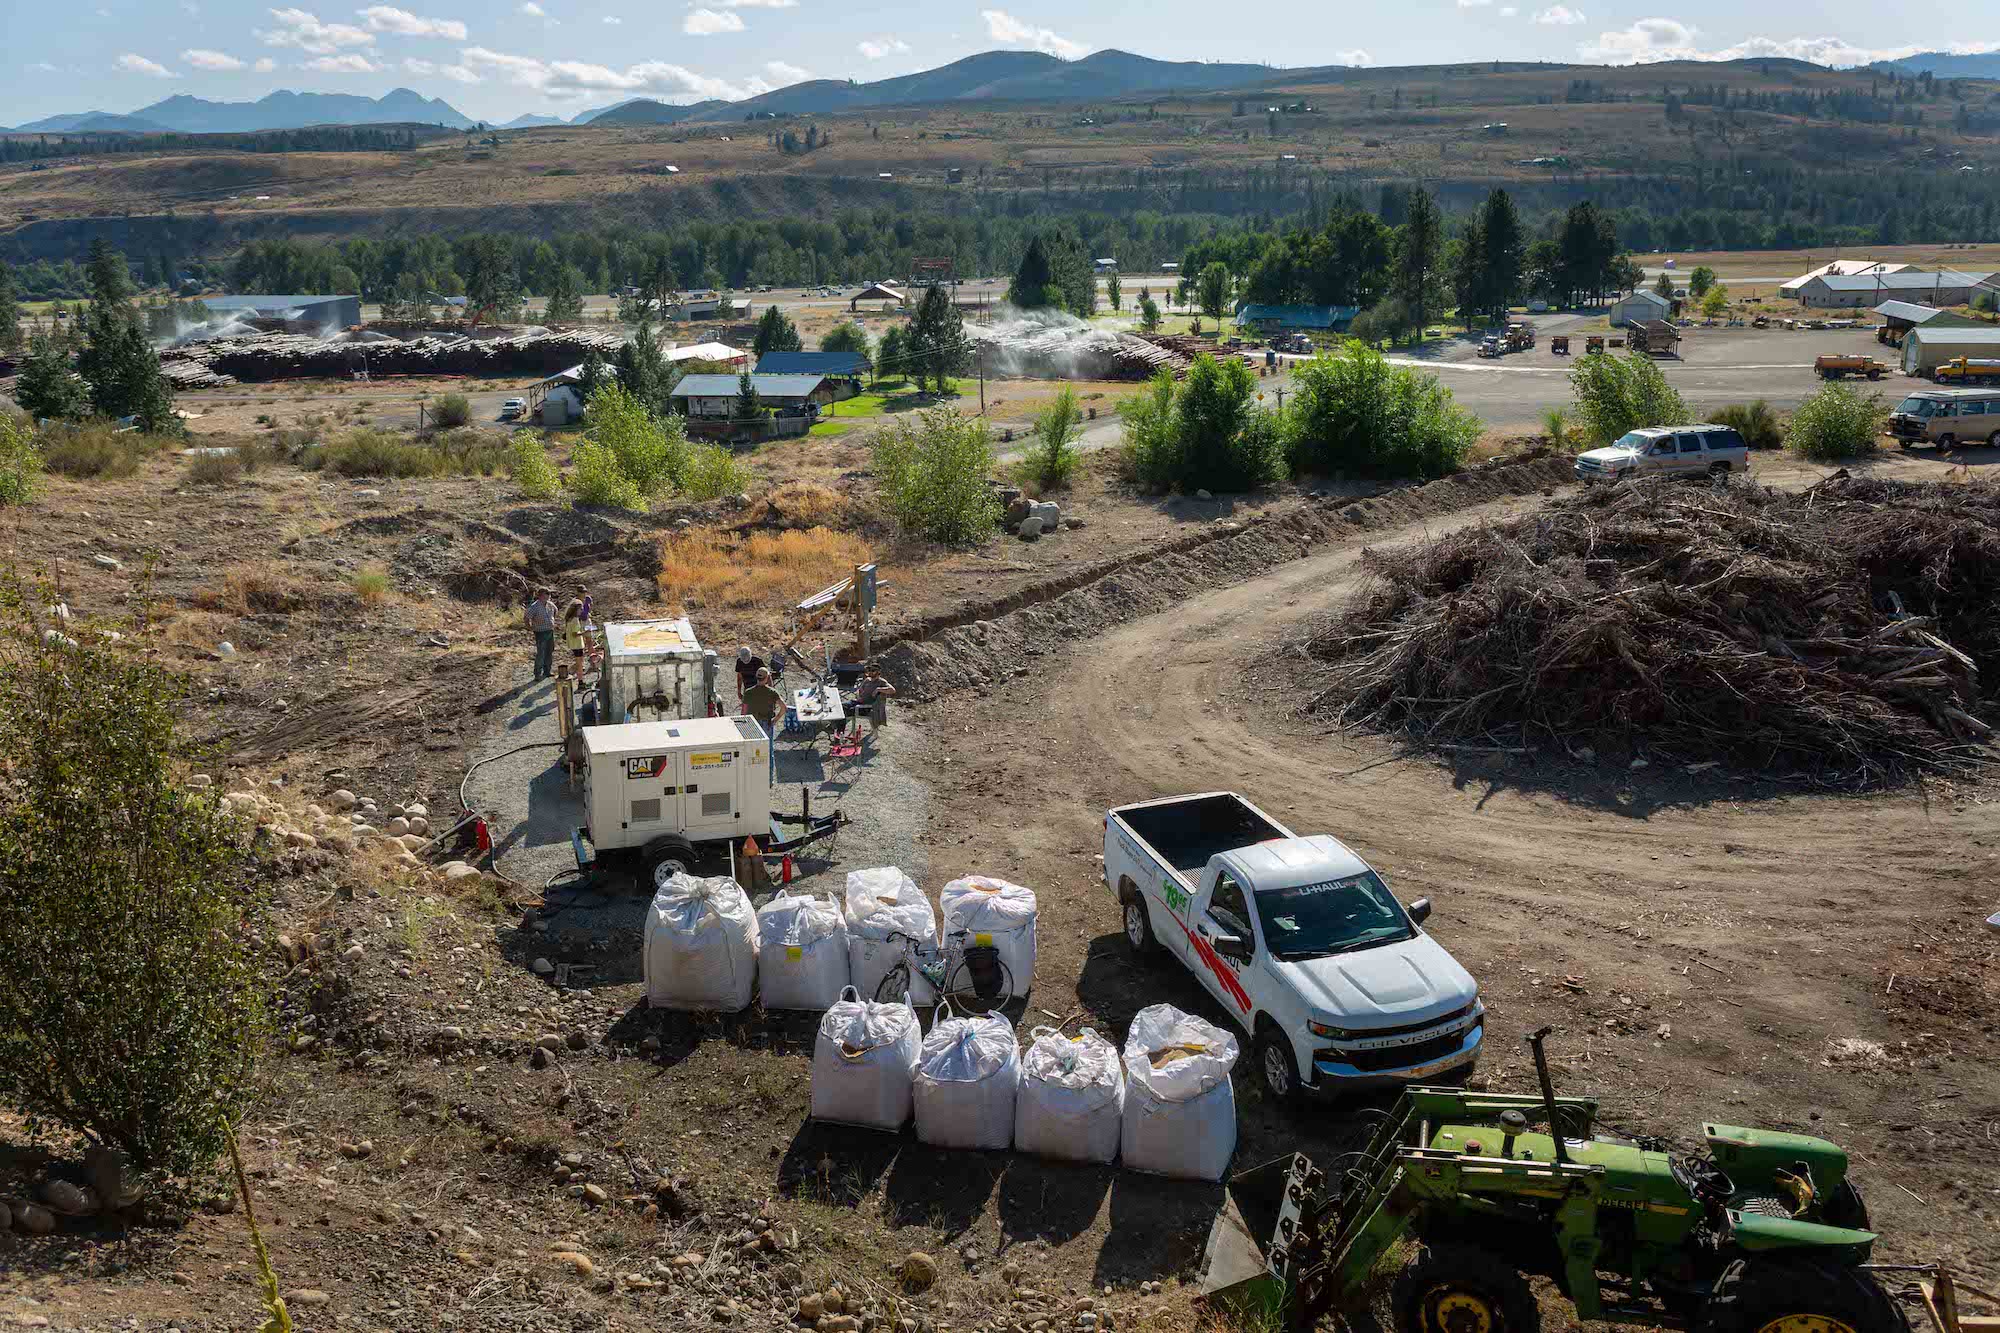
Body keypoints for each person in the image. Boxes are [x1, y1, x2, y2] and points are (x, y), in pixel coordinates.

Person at [741, 667, 787, 786]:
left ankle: (752, 778)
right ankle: (769, 780)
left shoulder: (748, 692)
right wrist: (776, 719)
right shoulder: (772, 693)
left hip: (752, 724)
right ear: (767, 678)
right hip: (767, 724)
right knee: (768, 752)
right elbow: (784, 707)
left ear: (756, 677)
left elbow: (744, 712)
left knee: (752, 751)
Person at [854, 660, 897, 745]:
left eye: (873, 671)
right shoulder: (867, 680)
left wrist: (878, 689)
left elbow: (892, 690)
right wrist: (859, 694)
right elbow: (859, 690)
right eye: (870, 670)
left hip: (869, 706)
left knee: (846, 709)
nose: (870, 672)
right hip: (860, 701)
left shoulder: (881, 682)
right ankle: (837, 731)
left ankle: (839, 734)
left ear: (878, 672)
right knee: (842, 707)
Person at [526, 587, 557, 681]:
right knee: (541, 653)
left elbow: (556, 611)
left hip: (550, 631)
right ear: (540, 595)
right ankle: (537, 673)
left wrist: (552, 621)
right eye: (545, 594)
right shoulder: (534, 606)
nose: (548, 595)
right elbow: (527, 617)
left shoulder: (550, 605)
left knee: (549, 651)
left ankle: (547, 671)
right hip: (540, 632)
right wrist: (529, 627)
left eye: (548, 594)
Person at [561, 600, 587, 680]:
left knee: (579, 662)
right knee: (580, 664)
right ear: (576, 610)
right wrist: (585, 632)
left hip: (573, 644)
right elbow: (575, 634)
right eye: (580, 609)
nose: (581, 611)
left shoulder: (569, 619)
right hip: (577, 644)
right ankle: (580, 681)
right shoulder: (575, 620)